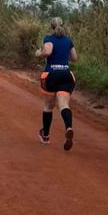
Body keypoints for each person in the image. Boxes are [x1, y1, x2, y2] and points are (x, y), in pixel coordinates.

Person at [35, 17, 77, 151]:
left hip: (51, 75)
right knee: (64, 105)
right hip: (66, 75)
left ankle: (46, 135)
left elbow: (48, 51)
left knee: (48, 106)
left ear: (51, 27)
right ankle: (68, 127)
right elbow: (74, 58)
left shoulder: (49, 38)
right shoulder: (68, 40)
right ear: (63, 26)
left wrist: (39, 53)